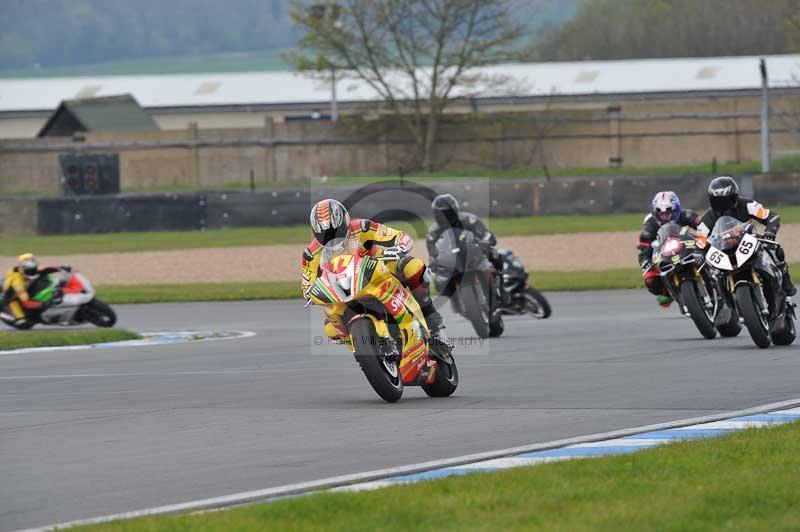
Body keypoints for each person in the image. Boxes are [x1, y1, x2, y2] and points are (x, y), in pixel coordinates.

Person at [301, 198, 451, 349]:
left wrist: (399, 248)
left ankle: (435, 326)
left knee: (414, 267)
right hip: (342, 288)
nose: (332, 238)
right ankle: (361, 348)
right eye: (325, 235)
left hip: (377, 268)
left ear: (345, 221)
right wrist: (312, 293)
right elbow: (307, 285)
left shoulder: (362, 227)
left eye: (335, 231)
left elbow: (399, 236)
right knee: (330, 328)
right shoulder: (311, 254)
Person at [697, 175, 795, 296]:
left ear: (734, 197)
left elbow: (771, 216)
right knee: (713, 274)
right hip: (723, 249)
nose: (722, 205)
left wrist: (770, 232)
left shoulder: (747, 205)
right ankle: (723, 301)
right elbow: (700, 238)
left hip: (748, 241)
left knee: (775, 249)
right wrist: (700, 252)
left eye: (725, 200)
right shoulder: (708, 217)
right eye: (718, 200)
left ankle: (785, 279)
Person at [426, 193, 510, 306]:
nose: (445, 216)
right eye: (441, 214)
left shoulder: (468, 219)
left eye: (447, 213)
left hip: (473, 250)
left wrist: (487, 240)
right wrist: (434, 260)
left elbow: (484, 232)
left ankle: (501, 286)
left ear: (454, 210)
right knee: (438, 278)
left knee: (495, 254)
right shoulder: (433, 231)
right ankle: (455, 300)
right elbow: (432, 250)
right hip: (453, 258)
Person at [637, 191, 701, 307]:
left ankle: (715, 279)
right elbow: (643, 250)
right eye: (661, 214)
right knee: (649, 279)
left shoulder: (686, 215)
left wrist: (704, 239)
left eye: (669, 212)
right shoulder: (649, 226)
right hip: (665, 256)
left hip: (689, 250)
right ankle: (668, 293)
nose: (666, 216)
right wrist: (646, 263)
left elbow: (704, 226)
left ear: (676, 209)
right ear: (655, 213)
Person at [1, 253, 57, 322]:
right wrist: (42, 304)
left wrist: (59, 269)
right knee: (22, 321)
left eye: (34, 269)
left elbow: (45, 269)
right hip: (13, 296)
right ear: (23, 269)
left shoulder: (30, 269)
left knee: (42, 276)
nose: (33, 272)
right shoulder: (18, 284)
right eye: (30, 271)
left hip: (25, 287)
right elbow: (26, 303)